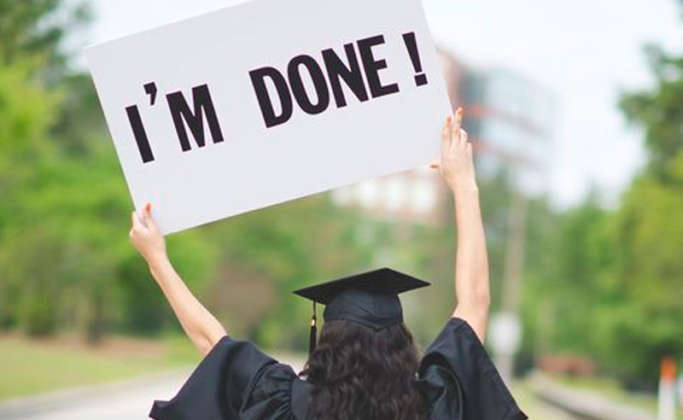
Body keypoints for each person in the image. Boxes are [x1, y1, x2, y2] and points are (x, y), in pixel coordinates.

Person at [129, 108, 527, 420]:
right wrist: (464, 184)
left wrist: (157, 260)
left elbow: (211, 342)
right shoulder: (436, 404)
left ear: (328, 346)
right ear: (401, 345)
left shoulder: (286, 402)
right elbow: (475, 301)